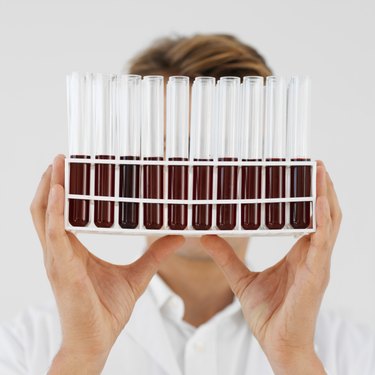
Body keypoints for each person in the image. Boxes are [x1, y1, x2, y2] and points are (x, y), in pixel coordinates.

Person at [1, 34, 374, 375]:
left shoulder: (349, 352)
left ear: (268, 163)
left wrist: (294, 358)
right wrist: (80, 357)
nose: (198, 177)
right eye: (171, 151)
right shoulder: (27, 344)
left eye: (223, 151)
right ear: (126, 163)